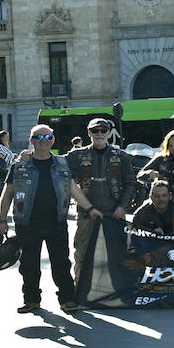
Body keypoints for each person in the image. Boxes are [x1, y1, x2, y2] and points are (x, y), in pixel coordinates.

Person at [0, 124, 92, 314]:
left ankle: (67, 299)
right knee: (29, 265)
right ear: (31, 140)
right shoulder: (19, 165)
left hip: (56, 221)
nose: (43, 141)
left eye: (48, 138)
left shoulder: (62, 163)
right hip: (27, 223)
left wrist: (90, 208)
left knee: (61, 263)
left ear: (53, 141)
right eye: (39, 137)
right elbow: (7, 195)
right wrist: (2, 220)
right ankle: (31, 300)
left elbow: (73, 188)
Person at [66, 118, 140, 276]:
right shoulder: (76, 156)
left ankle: (118, 291)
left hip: (115, 214)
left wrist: (123, 207)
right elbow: (54, 164)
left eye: (103, 130)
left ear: (109, 133)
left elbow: (131, 183)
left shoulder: (121, 156)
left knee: (118, 254)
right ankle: (80, 289)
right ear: (89, 133)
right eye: (95, 130)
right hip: (87, 215)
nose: (99, 134)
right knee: (82, 254)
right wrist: (27, 155)